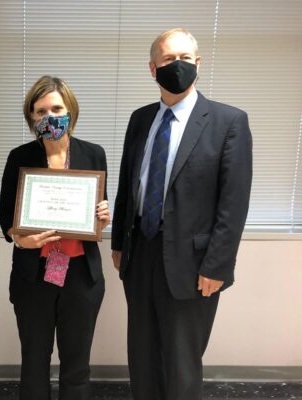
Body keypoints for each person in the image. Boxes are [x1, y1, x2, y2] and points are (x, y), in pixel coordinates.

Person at [111, 28, 253, 400]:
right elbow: (130, 184)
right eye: (169, 59)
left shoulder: (228, 122)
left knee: (181, 362)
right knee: (141, 357)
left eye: (186, 58)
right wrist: (118, 244)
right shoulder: (140, 119)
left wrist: (217, 265)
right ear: (153, 68)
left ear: (198, 64)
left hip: (194, 264)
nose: (178, 66)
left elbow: (233, 202)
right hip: (139, 255)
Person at [0, 76, 111, 400]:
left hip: (81, 276)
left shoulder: (93, 154)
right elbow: (6, 217)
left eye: (57, 108)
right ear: (31, 117)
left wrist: (104, 214)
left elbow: (100, 208)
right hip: (35, 275)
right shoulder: (19, 157)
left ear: (70, 110)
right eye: (41, 110)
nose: (50, 116)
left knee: (77, 363)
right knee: (34, 362)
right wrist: (20, 240)